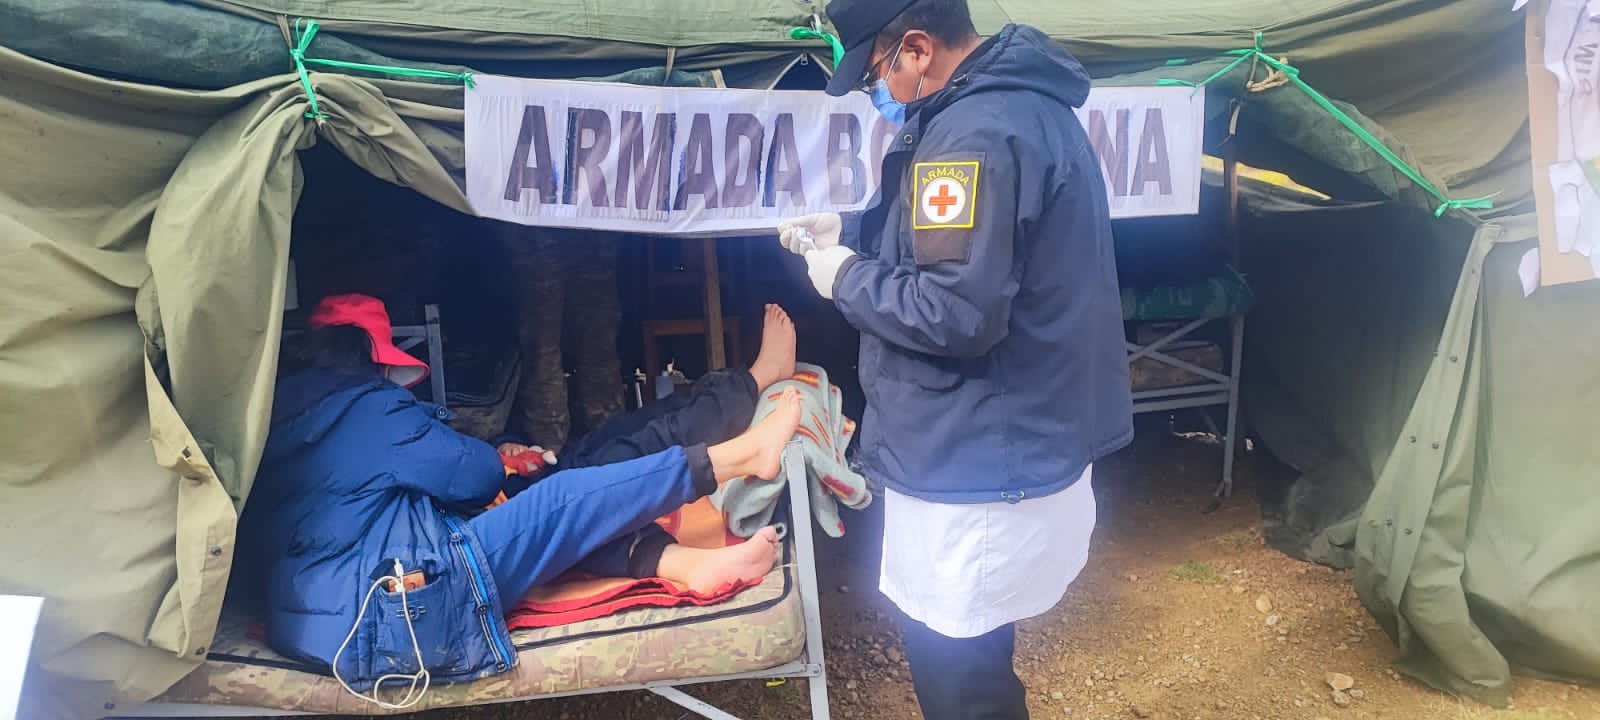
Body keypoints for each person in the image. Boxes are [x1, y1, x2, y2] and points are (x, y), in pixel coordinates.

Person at [776, 2, 1134, 718]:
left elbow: (956, 311)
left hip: (978, 455)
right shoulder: (1020, 109)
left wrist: (844, 276)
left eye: (877, 71)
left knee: (958, 680)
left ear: (916, 48)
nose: (878, 92)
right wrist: (850, 229)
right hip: (1009, 436)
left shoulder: (972, 133)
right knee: (974, 667)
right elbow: (964, 249)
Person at [236, 294, 802, 704]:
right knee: (566, 498)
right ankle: (746, 451)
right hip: (397, 614)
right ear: (373, 357)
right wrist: (496, 456)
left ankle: (686, 564)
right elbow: (477, 478)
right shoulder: (367, 407)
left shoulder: (270, 424)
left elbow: (351, 509)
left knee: (565, 502)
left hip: (319, 617)